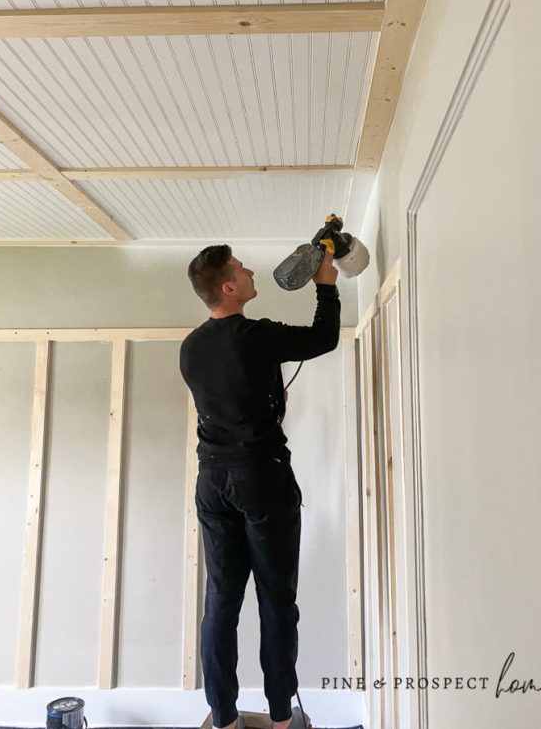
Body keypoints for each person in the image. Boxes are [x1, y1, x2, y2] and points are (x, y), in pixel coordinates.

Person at [179, 244, 341, 729]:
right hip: (261, 479)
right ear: (229, 288)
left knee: (221, 601)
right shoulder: (256, 334)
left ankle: (224, 719)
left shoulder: (191, 346)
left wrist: (269, 393)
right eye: (242, 270)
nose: (251, 272)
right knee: (275, 601)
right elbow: (323, 337)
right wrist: (326, 283)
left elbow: (230, 394)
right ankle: (279, 720)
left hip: (212, 480)